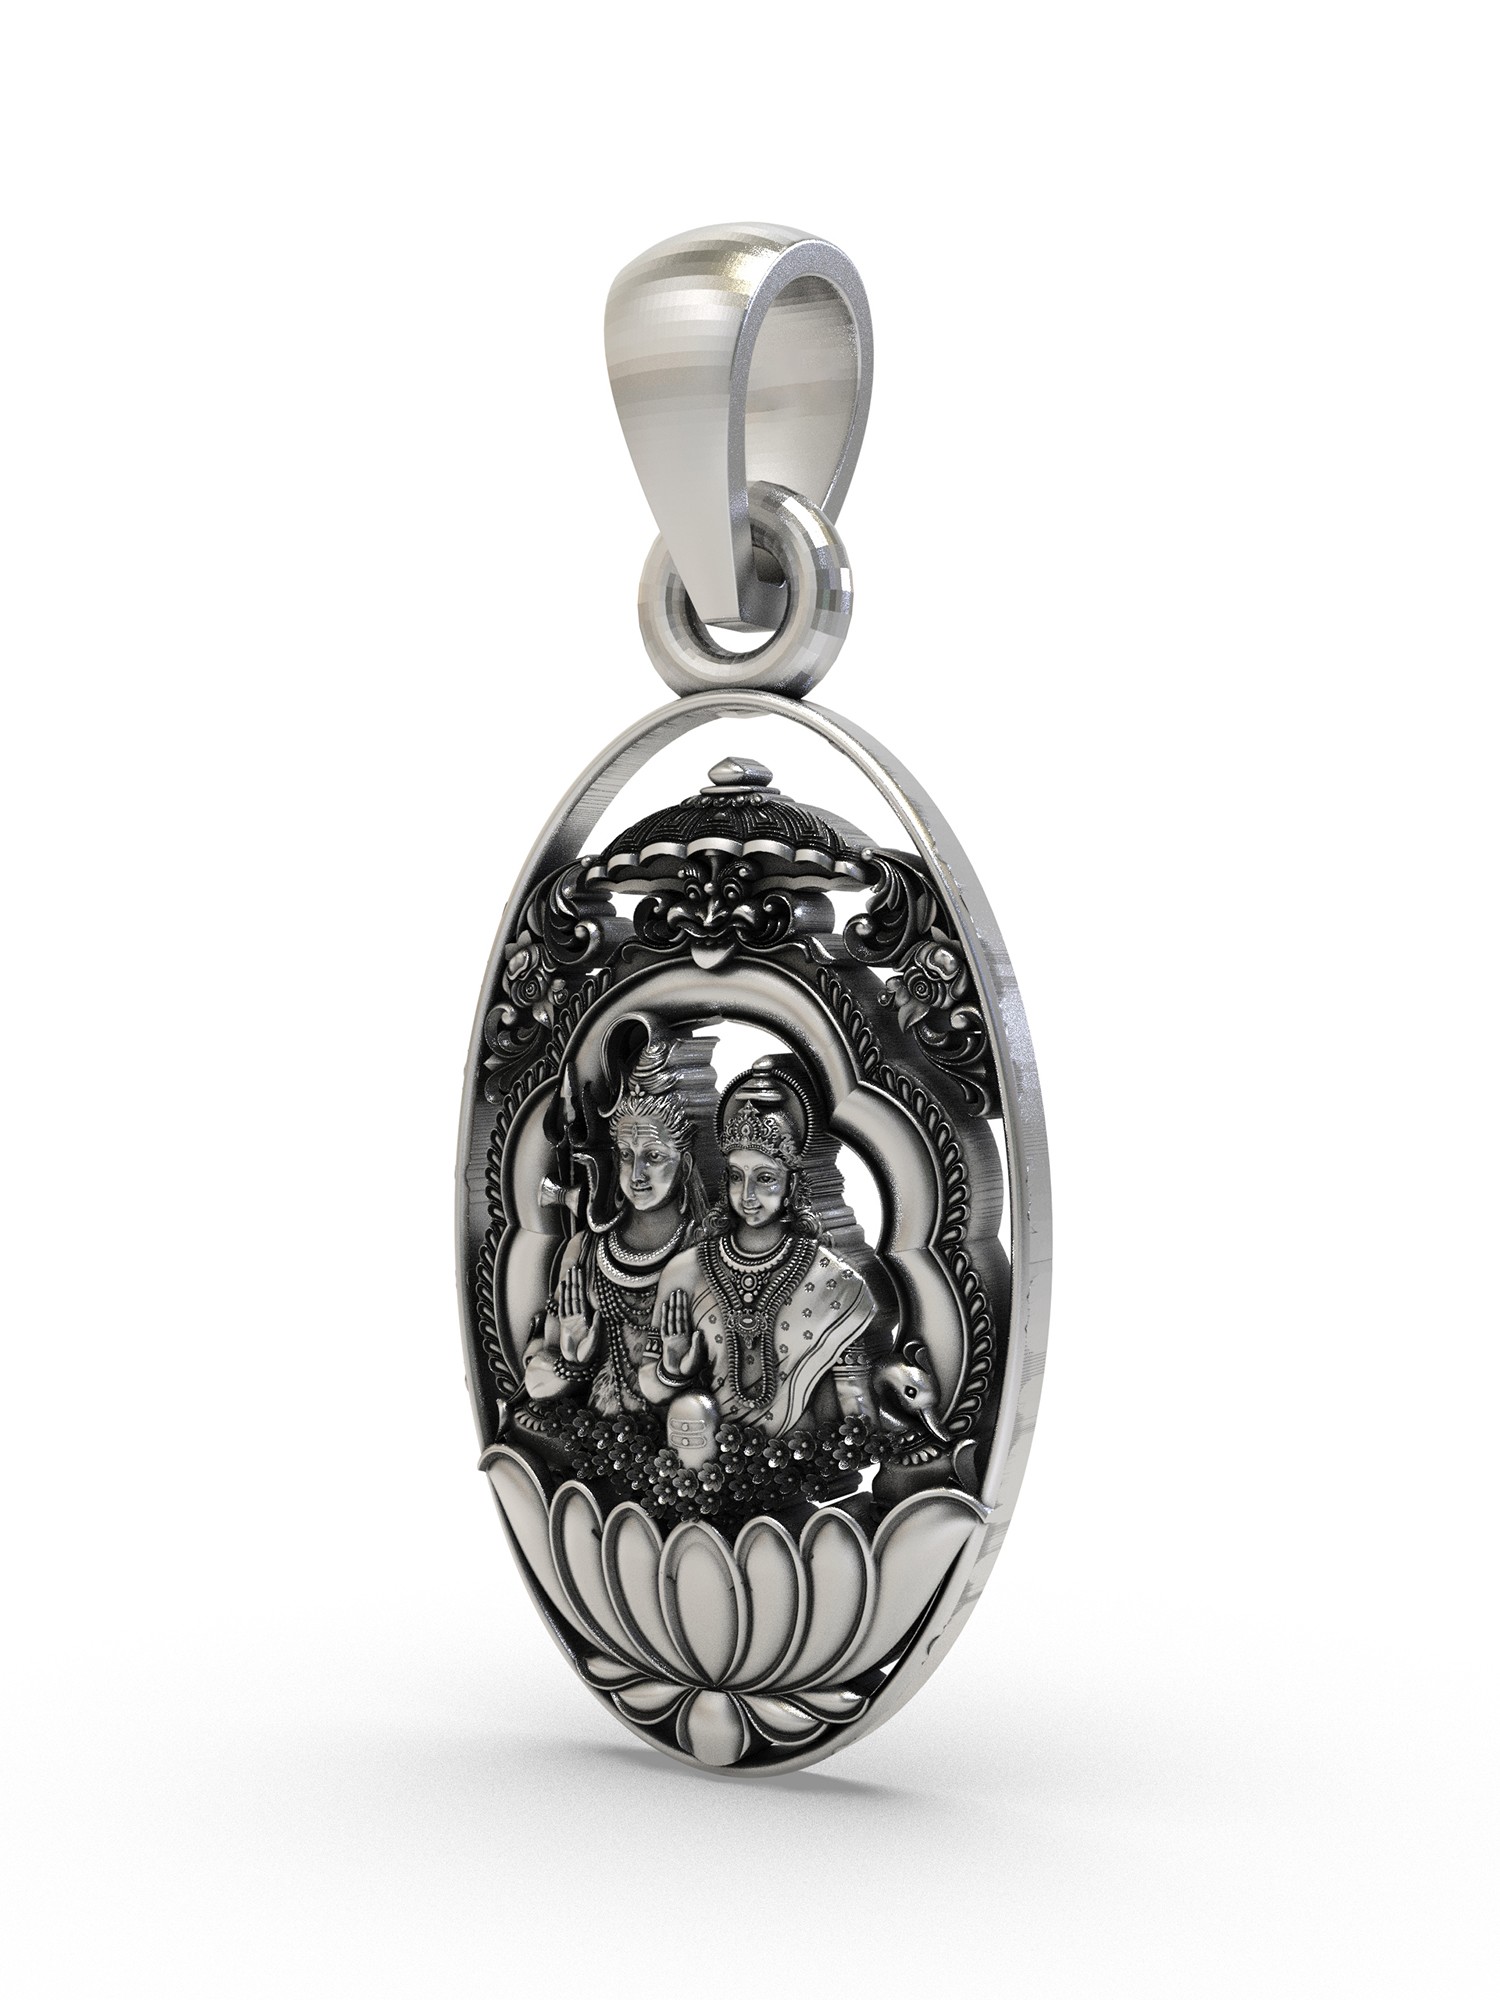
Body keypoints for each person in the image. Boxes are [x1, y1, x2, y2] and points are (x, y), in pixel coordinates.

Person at [639, 1058, 879, 1435]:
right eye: (736, 1177)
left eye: (765, 1178)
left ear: (791, 1185)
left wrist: (863, 1445)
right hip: (708, 1453)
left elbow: (854, 1397)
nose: (747, 1195)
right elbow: (651, 1389)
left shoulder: (835, 1280)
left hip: (804, 1454)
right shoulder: (685, 1272)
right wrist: (672, 1367)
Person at [522, 1034, 715, 1416]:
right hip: (599, 1426)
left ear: (686, 1164)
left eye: (654, 1156)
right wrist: (572, 1359)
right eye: (627, 1155)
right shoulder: (585, 1251)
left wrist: (675, 1371)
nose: (637, 1174)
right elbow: (537, 1379)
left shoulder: (705, 1252)